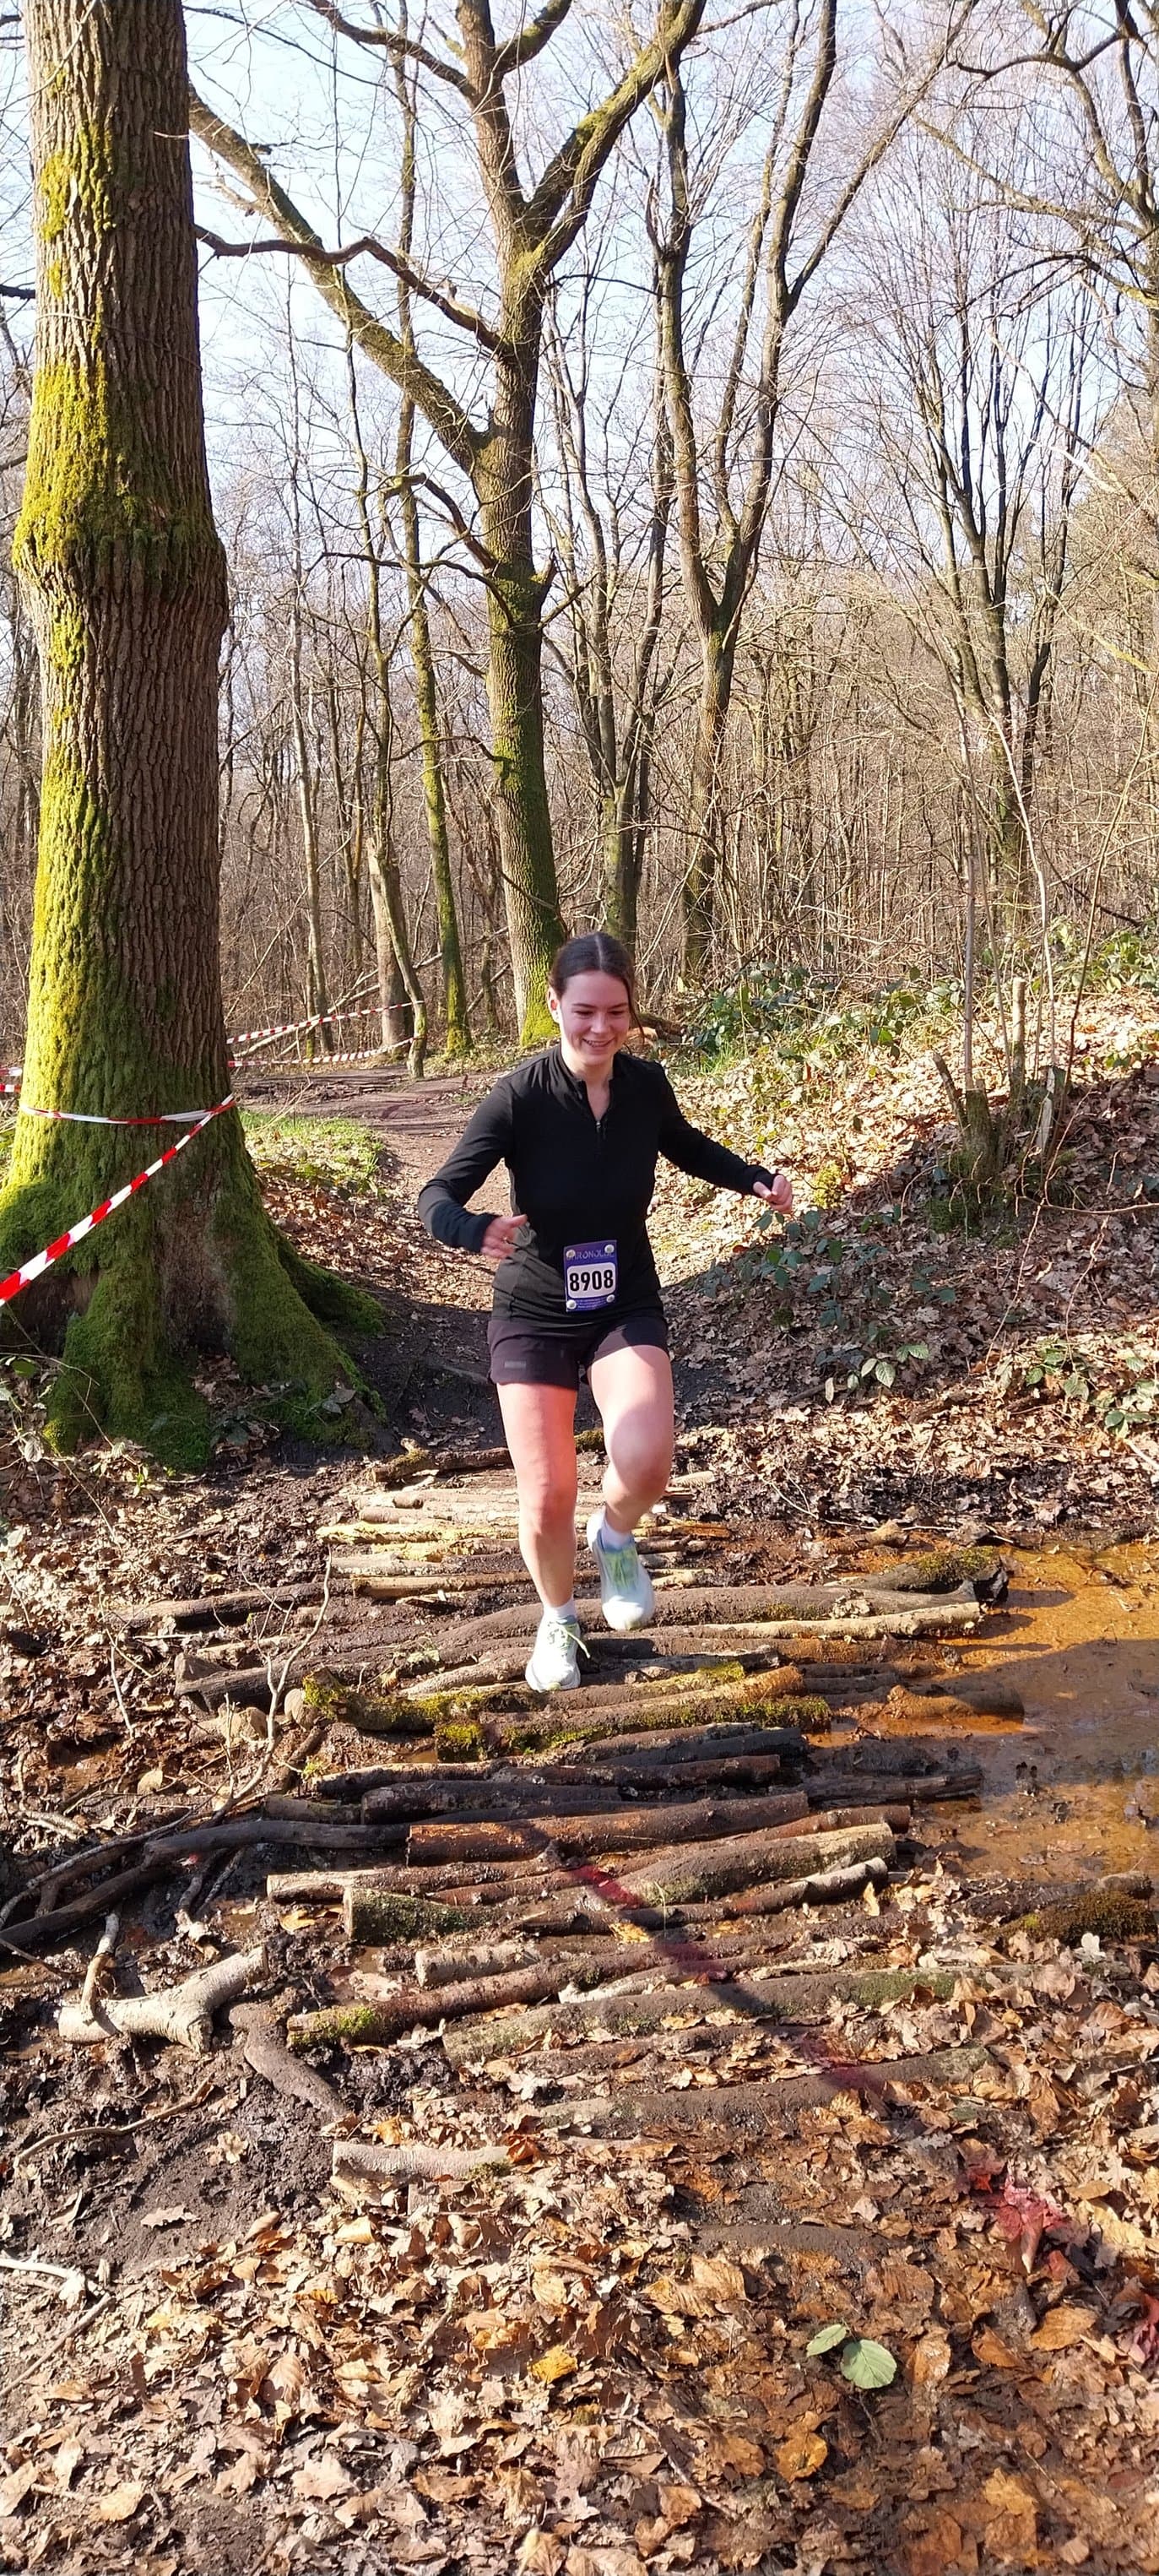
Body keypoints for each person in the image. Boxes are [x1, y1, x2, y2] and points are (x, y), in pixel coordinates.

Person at [417, 933, 793, 1691]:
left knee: (648, 1457)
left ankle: (614, 1537)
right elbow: (436, 1196)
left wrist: (753, 1178)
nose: (599, 1027)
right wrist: (472, 1230)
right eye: (583, 1010)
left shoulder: (645, 1086)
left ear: (631, 1012)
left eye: (615, 1011)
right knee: (549, 1491)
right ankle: (558, 1619)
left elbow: (684, 1146)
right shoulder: (518, 1097)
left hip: (622, 1295)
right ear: (553, 1004)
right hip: (531, 1308)